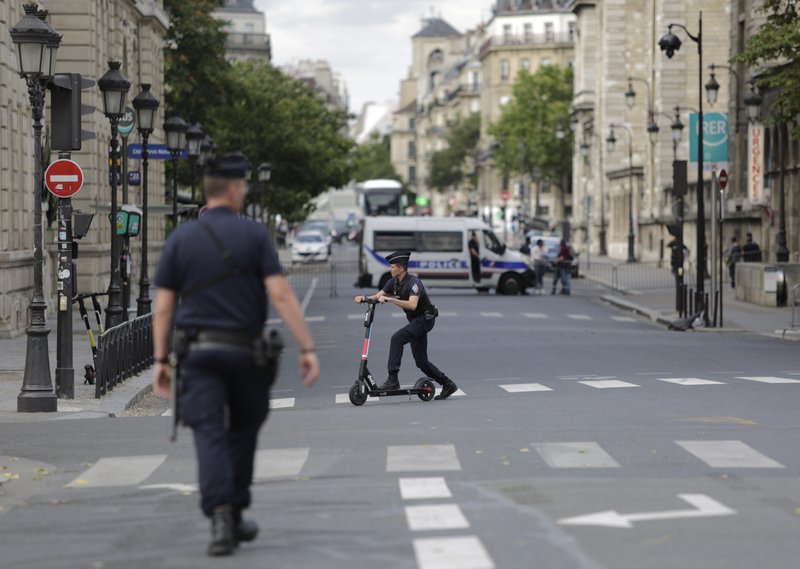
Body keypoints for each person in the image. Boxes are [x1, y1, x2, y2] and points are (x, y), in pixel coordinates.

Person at [151, 153, 319, 557]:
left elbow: (164, 307)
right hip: (245, 354)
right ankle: (237, 507)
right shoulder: (254, 236)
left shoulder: (180, 239)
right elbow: (280, 293)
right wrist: (306, 347)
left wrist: (159, 360)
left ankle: (222, 515)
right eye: (242, 186)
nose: (243, 191)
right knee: (243, 430)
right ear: (232, 189)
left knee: (209, 433)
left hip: (198, 355)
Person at [355, 250, 458, 400]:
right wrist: (364, 298)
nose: (390, 269)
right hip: (415, 322)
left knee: (397, 338)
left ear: (401, 268)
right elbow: (378, 296)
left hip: (425, 319)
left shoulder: (414, 283)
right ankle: (448, 384)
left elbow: (412, 305)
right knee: (421, 362)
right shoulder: (393, 282)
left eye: (392, 267)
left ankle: (393, 380)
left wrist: (390, 299)